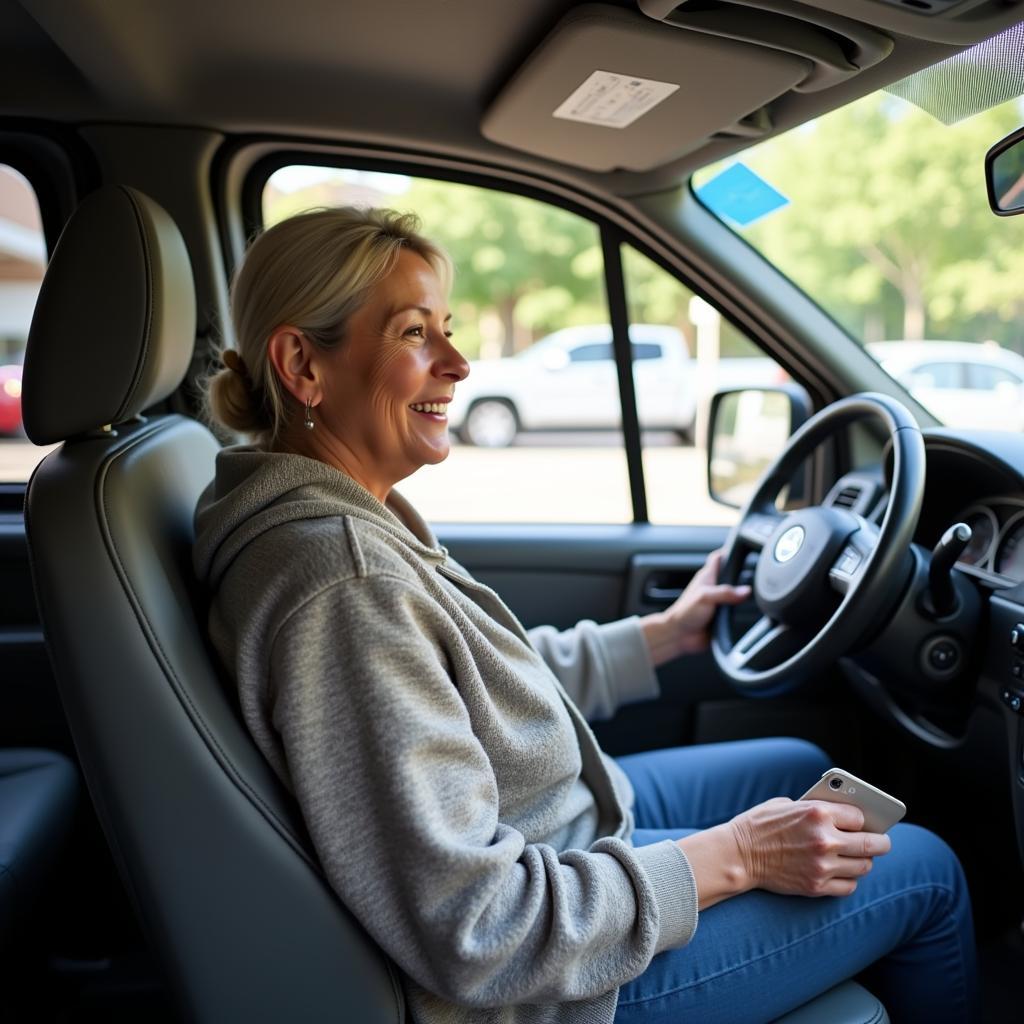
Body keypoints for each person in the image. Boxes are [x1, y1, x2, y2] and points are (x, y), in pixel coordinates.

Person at [193, 207, 977, 1024]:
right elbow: (481, 928)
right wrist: (740, 856)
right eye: (414, 333)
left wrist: (666, 635)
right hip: (556, 984)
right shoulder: (340, 583)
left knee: (798, 764)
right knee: (926, 869)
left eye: (448, 329)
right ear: (301, 366)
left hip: (561, 855)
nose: (458, 364)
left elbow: (464, 686)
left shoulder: (336, 517)